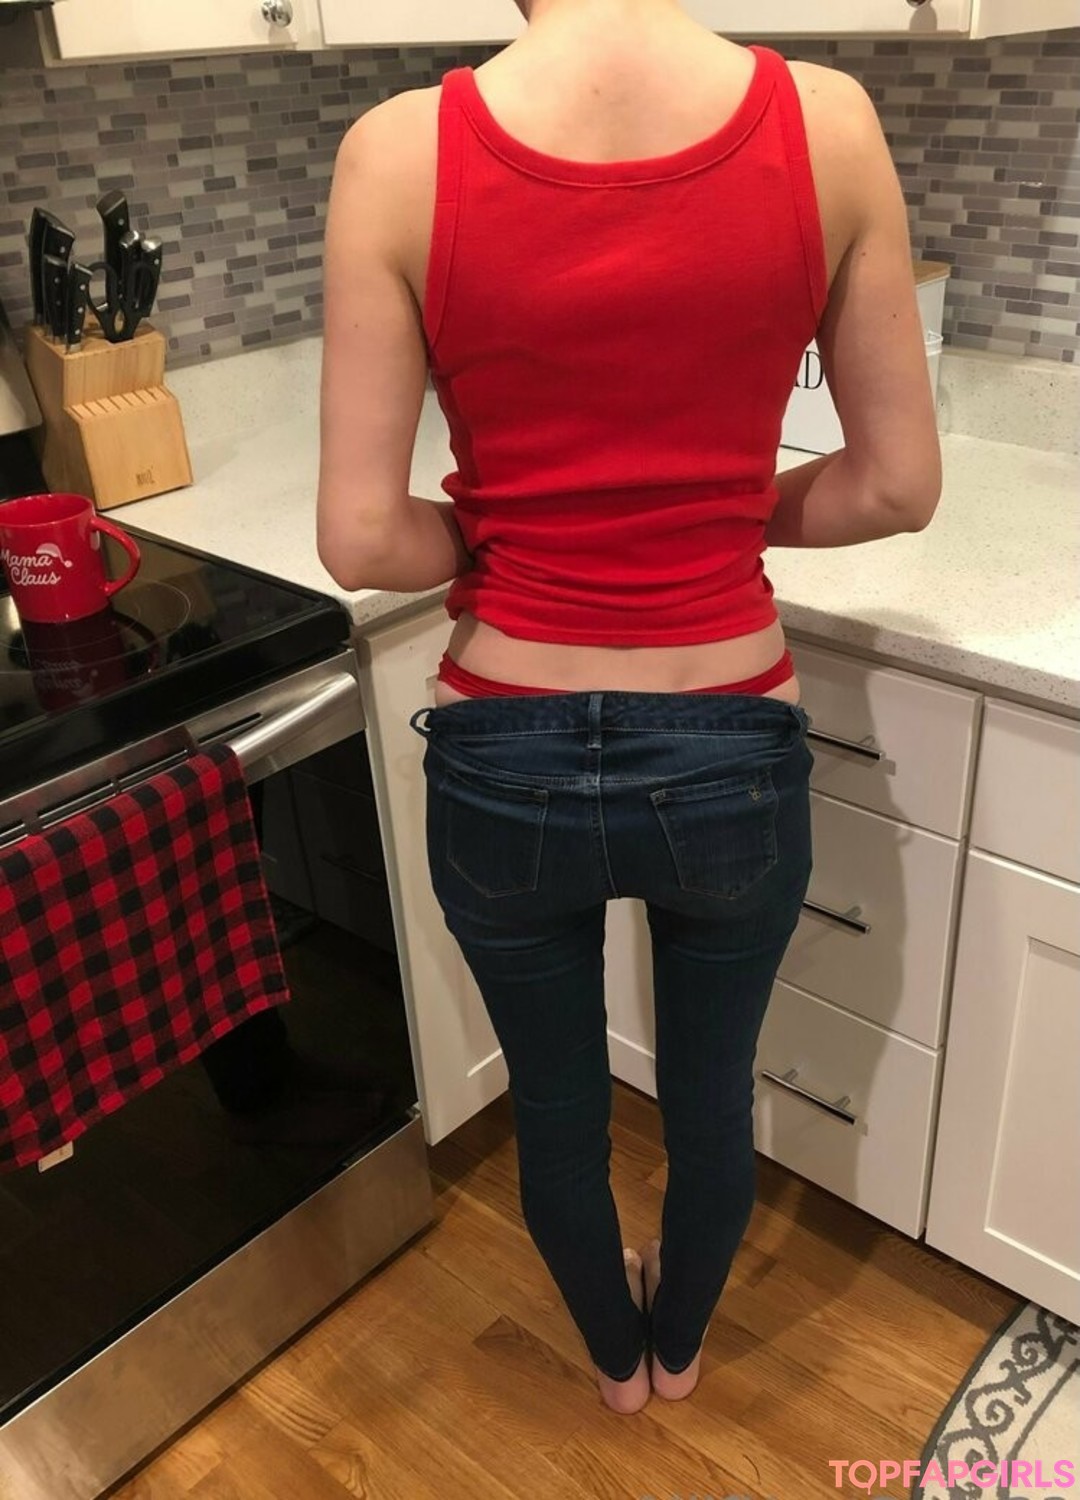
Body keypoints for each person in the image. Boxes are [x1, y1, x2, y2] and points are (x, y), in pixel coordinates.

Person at [316, 0, 941, 1416]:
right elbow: (897, 486)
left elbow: (360, 540)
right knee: (711, 1100)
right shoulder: (828, 125)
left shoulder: (397, 152)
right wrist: (715, 515)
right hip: (729, 739)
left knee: (555, 1109)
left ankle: (613, 1362)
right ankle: (681, 1348)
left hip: (502, 746)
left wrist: (513, 536)